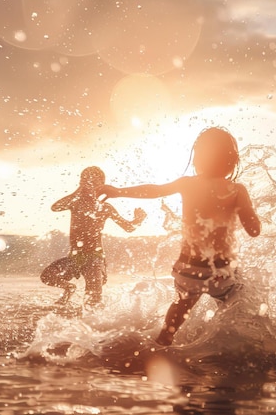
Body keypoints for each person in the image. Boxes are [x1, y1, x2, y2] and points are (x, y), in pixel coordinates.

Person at [99, 127, 261, 345]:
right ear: (232, 160)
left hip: (189, 270)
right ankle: (234, 348)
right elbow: (254, 230)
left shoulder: (187, 184)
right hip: (220, 272)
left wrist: (118, 191)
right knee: (240, 302)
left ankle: (162, 344)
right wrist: (246, 211)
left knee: (178, 312)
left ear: (198, 158)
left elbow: (153, 190)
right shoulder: (236, 190)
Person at [41, 166, 146, 307]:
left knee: (93, 299)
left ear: (101, 186)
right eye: (84, 181)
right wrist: (78, 191)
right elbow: (56, 207)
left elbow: (128, 227)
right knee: (47, 276)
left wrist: (138, 220)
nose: (88, 185)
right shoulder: (76, 203)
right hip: (74, 257)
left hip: (95, 258)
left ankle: (94, 323)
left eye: (93, 182)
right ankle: (69, 287)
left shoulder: (105, 208)